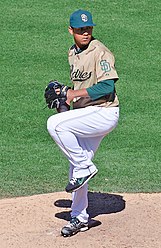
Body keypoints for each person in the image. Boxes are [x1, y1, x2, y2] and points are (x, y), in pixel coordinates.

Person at [47, 9, 120, 237]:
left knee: (54, 125)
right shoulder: (72, 52)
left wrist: (72, 93)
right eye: (80, 30)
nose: (85, 33)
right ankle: (79, 217)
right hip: (87, 116)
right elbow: (74, 96)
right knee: (76, 167)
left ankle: (85, 167)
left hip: (104, 113)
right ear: (71, 31)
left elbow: (108, 87)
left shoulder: (101, 52)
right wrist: (64, 102)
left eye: (88, 29)